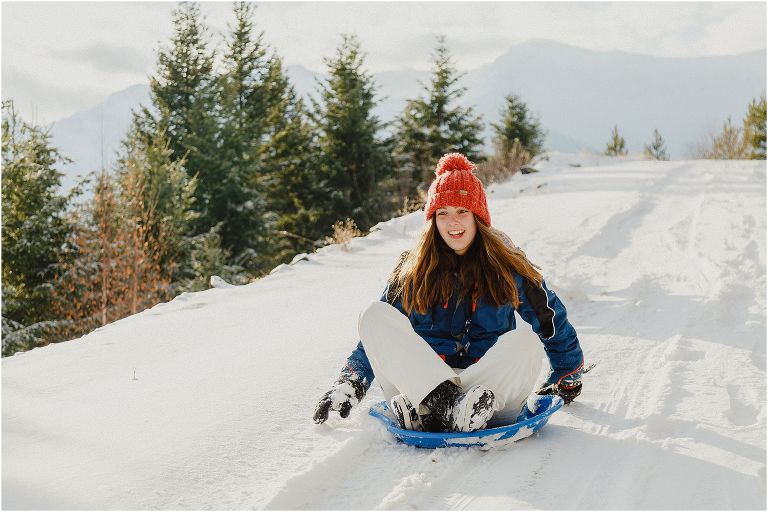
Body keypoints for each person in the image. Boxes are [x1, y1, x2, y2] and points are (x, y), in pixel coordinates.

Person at [313, 153, 584, 433]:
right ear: (432, 219)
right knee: (373, 316)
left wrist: (568, 370)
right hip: (423, 381)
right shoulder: (412, 268)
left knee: (526, 341)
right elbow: (380, 338)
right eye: (443, 213)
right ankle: (441, 404)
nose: (452, 222)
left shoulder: (507, 264)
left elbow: (549, 318)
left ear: (478, 216)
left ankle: (438, 412)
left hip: (486, 388)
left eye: (462, 212)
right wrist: (350, 382)